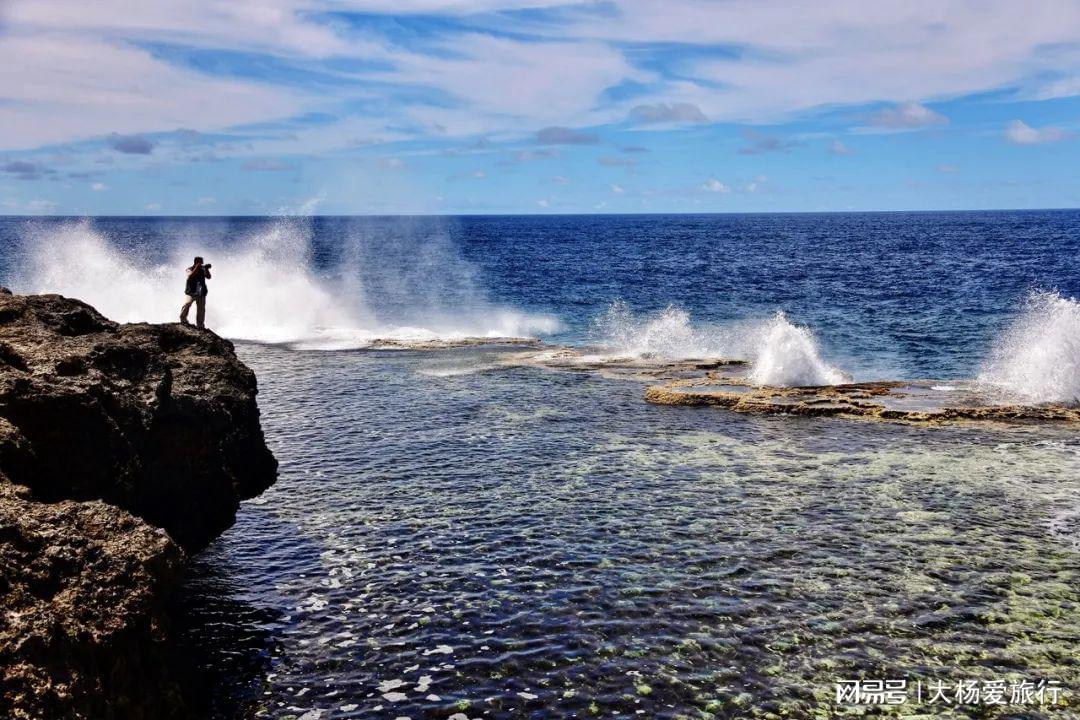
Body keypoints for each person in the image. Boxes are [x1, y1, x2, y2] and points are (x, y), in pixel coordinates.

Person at [180, 256, 212, 329]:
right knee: (187, 304)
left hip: (201, 292)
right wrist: (197, 268)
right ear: (196, 262)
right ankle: (183, 319)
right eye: (200, 262)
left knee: (201, 309)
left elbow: (209, 277)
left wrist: (206, 269)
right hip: (191, 292)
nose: (202, 263)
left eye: (202, 262)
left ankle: (200, 325)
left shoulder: (203, 269)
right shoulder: (189, 269)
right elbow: (190, 276)